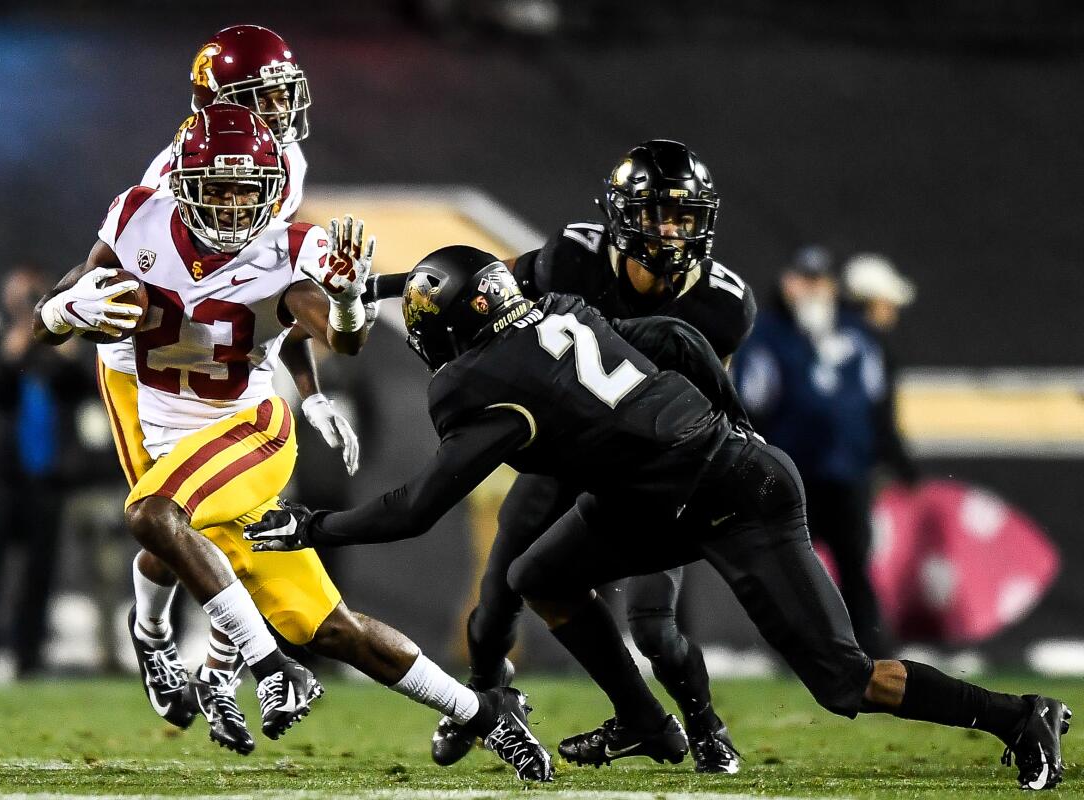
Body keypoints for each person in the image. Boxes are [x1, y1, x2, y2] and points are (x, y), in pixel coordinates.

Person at [247, 246, 1071, 791]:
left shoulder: (475, 382)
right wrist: (731, 415)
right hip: (676, 486)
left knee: (843, 682)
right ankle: (647, 722)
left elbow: (416, 507)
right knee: (541, 574)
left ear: (448, 331)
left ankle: (1015, 716)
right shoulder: (560, 308)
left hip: (732, 496)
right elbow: (676, 337)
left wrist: (310, 527)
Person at [33, 105, 550, 780]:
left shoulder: (290, 249)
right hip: (173, 442)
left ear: (270, 190)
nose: (229, 206)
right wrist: (61, 310)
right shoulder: (138, 216)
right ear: (182, 182)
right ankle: (483, 714)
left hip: (247, 433)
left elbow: (343, 339)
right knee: (332, 628)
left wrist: (344, 304)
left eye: (245, 191)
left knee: (153, 516)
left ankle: (269, 666)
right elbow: (62, 311)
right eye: (215, 188)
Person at [366, 139, 752, 773]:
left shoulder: (723, 303)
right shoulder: (575, 257)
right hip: (563, 455)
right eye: (656, 213)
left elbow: (715, 393)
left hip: (648, 475)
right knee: (495, 604)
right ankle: (484, 701)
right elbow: (482, 284)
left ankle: (705, 724)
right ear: (623, 215)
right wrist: (378, 285)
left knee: (655, 625)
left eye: (683, 216)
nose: (670, 231)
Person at [93, 25, 362, 748]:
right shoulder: (177, 168)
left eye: (283, 91)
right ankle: (153, 637)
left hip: (225, 351)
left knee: (209, 521)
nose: (280, 106)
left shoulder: (282, 160)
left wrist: (306, 388)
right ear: (217, 100)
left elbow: (269, 295)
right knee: (169, 520)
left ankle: (220, 665)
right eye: (262, 95)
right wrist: (76, 307)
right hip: (141, 357)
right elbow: (120, 266)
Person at [732, 246, 898, 657]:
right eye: (802, 280)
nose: (810, 291)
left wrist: (880, 455)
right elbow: (752, 403)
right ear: (786, 283)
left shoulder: (857, 334)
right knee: (789, 566)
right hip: (792, 471)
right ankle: (794, 650)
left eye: (819, 281)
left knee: (855, 563)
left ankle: (870, 648)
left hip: (847, 471)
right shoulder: (767, 335)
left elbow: (875, 402)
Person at [0, 266, 96, 678]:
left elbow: (86, 388)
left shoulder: (63, 345)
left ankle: (28, 657)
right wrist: (16, 341)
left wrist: (57, 341)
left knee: (40, 572)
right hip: (1, 475)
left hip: (48, 475)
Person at [843, 252, 920, 486]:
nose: (893, 312)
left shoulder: (815, 341)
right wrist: (909, 474)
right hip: (854, 472)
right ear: (871, 303)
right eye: (888, 304)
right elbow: (879, 418)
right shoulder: (871, 351)